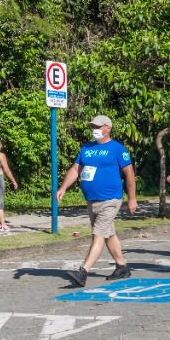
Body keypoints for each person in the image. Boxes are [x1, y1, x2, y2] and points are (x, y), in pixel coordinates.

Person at [57, 115, 138, 286]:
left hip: (110, 199)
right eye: (92, 126)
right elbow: (75, 169)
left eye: (98, 126)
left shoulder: (117, 149)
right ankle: (122, 266)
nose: (94, 129)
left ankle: (83, 271)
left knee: (98, 234)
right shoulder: (87, 148)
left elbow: (129, 173)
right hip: (91, 200)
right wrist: (63, 187)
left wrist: (132, 198)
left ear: (108, 128)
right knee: (108, 234)